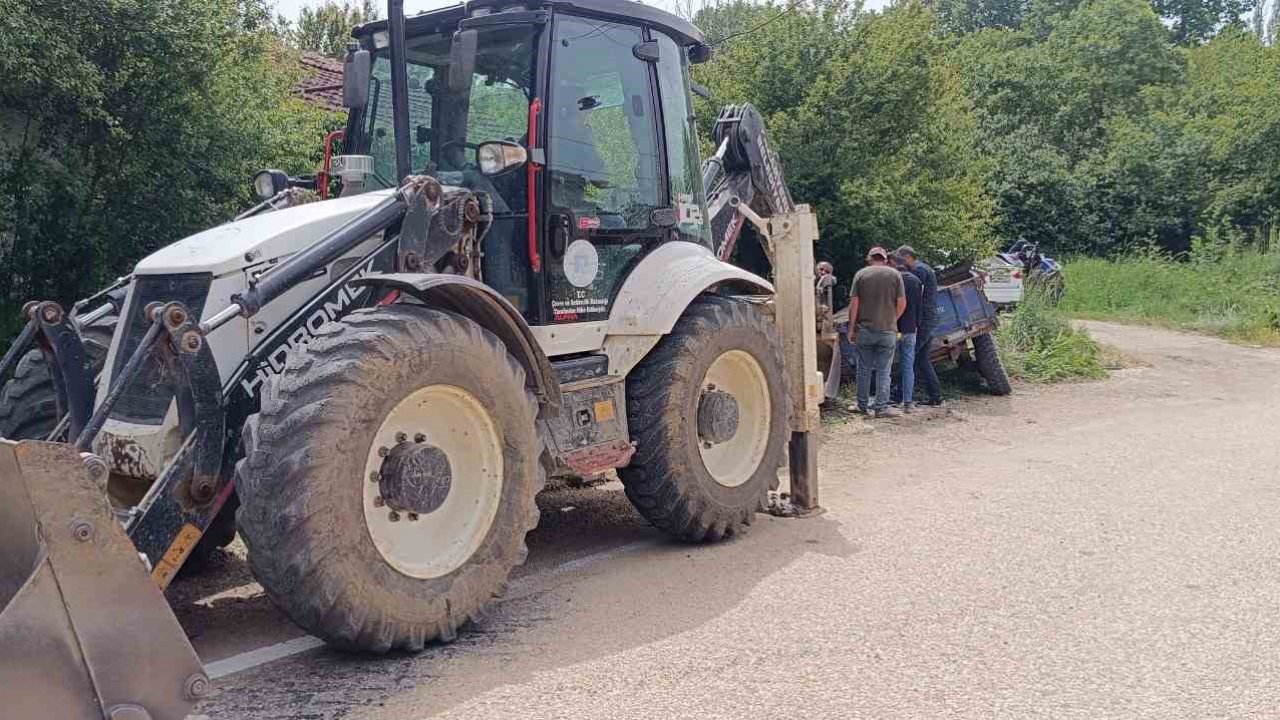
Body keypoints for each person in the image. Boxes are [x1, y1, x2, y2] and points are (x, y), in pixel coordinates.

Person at [847, 246, 905, 418]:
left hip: (865, 330)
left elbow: (854, 304)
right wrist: (892, 319)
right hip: (887, 331)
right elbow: (902, 303)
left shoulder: (861, 274)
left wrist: (851, 329)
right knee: (884, 370)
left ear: (869, 258)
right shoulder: (895, 275)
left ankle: (862, 405)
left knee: (863, 369)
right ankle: (881, 407)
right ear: (885, 259)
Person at [895, 245, 943, 406]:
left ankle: (901, 395)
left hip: (923, 321)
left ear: (908, 256)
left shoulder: (918, 271)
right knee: (921, 359)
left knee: (908, 357)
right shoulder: (924, 268)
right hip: (929, 319)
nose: (900, 263)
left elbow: (913, 294)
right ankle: (936, 396)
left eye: (901, 259)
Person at [893, 256, 924, 412]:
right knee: (908, 366)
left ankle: (883, 401)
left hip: (893, 329)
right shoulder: (916, 281)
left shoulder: (892, 280)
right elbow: (919, 306)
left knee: (885, 366)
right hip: (910, 329)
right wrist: (917, 324)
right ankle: (908, 402)